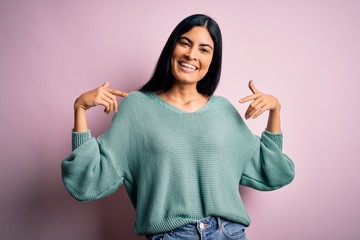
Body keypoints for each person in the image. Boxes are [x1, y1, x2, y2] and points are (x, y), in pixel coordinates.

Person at [61, 14, 295, 240]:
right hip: (171, 235)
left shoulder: (222, 111)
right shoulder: (137, 108)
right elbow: (86, 183)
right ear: (172, 48)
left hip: (228, 233)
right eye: (185, 43)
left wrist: (275, 111)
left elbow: (274, 172)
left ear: (212, 60)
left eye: (204, 49)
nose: (192, 55)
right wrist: (79, 109)